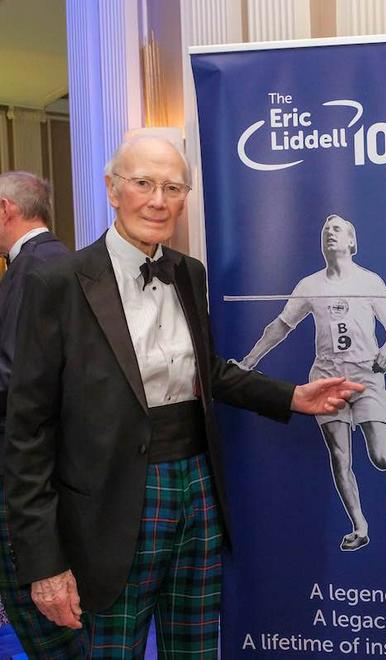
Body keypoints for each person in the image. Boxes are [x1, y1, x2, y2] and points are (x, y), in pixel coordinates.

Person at [3, 136, 363, 658]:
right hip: (109, 509)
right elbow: (27, 432)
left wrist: (291, 397)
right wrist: (44, 564)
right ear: (112, 190)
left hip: (197, 489)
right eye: (143, 184)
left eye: (173, 188)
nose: (158, 200)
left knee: (195, 648)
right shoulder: (57, 281)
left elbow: (206, 370)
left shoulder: (189, 272)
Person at [237, 214, 386, 551]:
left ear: (352, 242)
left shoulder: (370, 282)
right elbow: (280, 326)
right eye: (325, 230)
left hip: (366, 377)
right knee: (339, 456)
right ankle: (360, 526)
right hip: (326, 380)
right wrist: (248, 363)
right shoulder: (310, 285)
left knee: (383, 458)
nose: (330, 233)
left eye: (337, 229)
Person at [0, 171, 85, 658]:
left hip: (29, 470)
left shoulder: (32, 270)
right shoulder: (62, 259)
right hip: (62, 468)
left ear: (6, 209)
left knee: (47, 621)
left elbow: (16, 378)